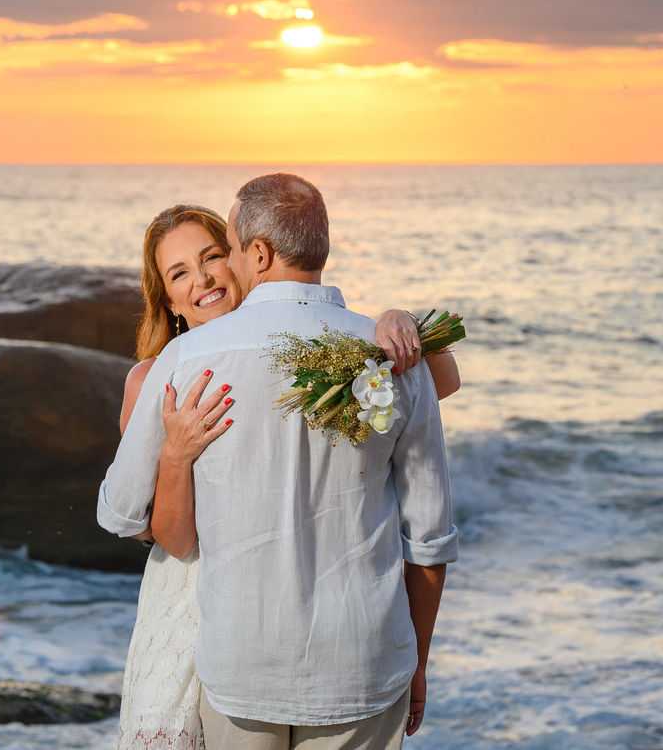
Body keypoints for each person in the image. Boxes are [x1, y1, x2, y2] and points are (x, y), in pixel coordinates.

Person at [109, 194, 459, 749]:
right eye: (179, 273)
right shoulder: (160, 378)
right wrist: (175, 454)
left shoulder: (324, 347)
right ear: (169, 299)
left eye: (212, 256)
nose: (203, 278)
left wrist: (401, 322)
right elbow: (160, 532)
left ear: (249, 257)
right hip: (197, 605)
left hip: (264, 629)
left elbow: (434, 381)